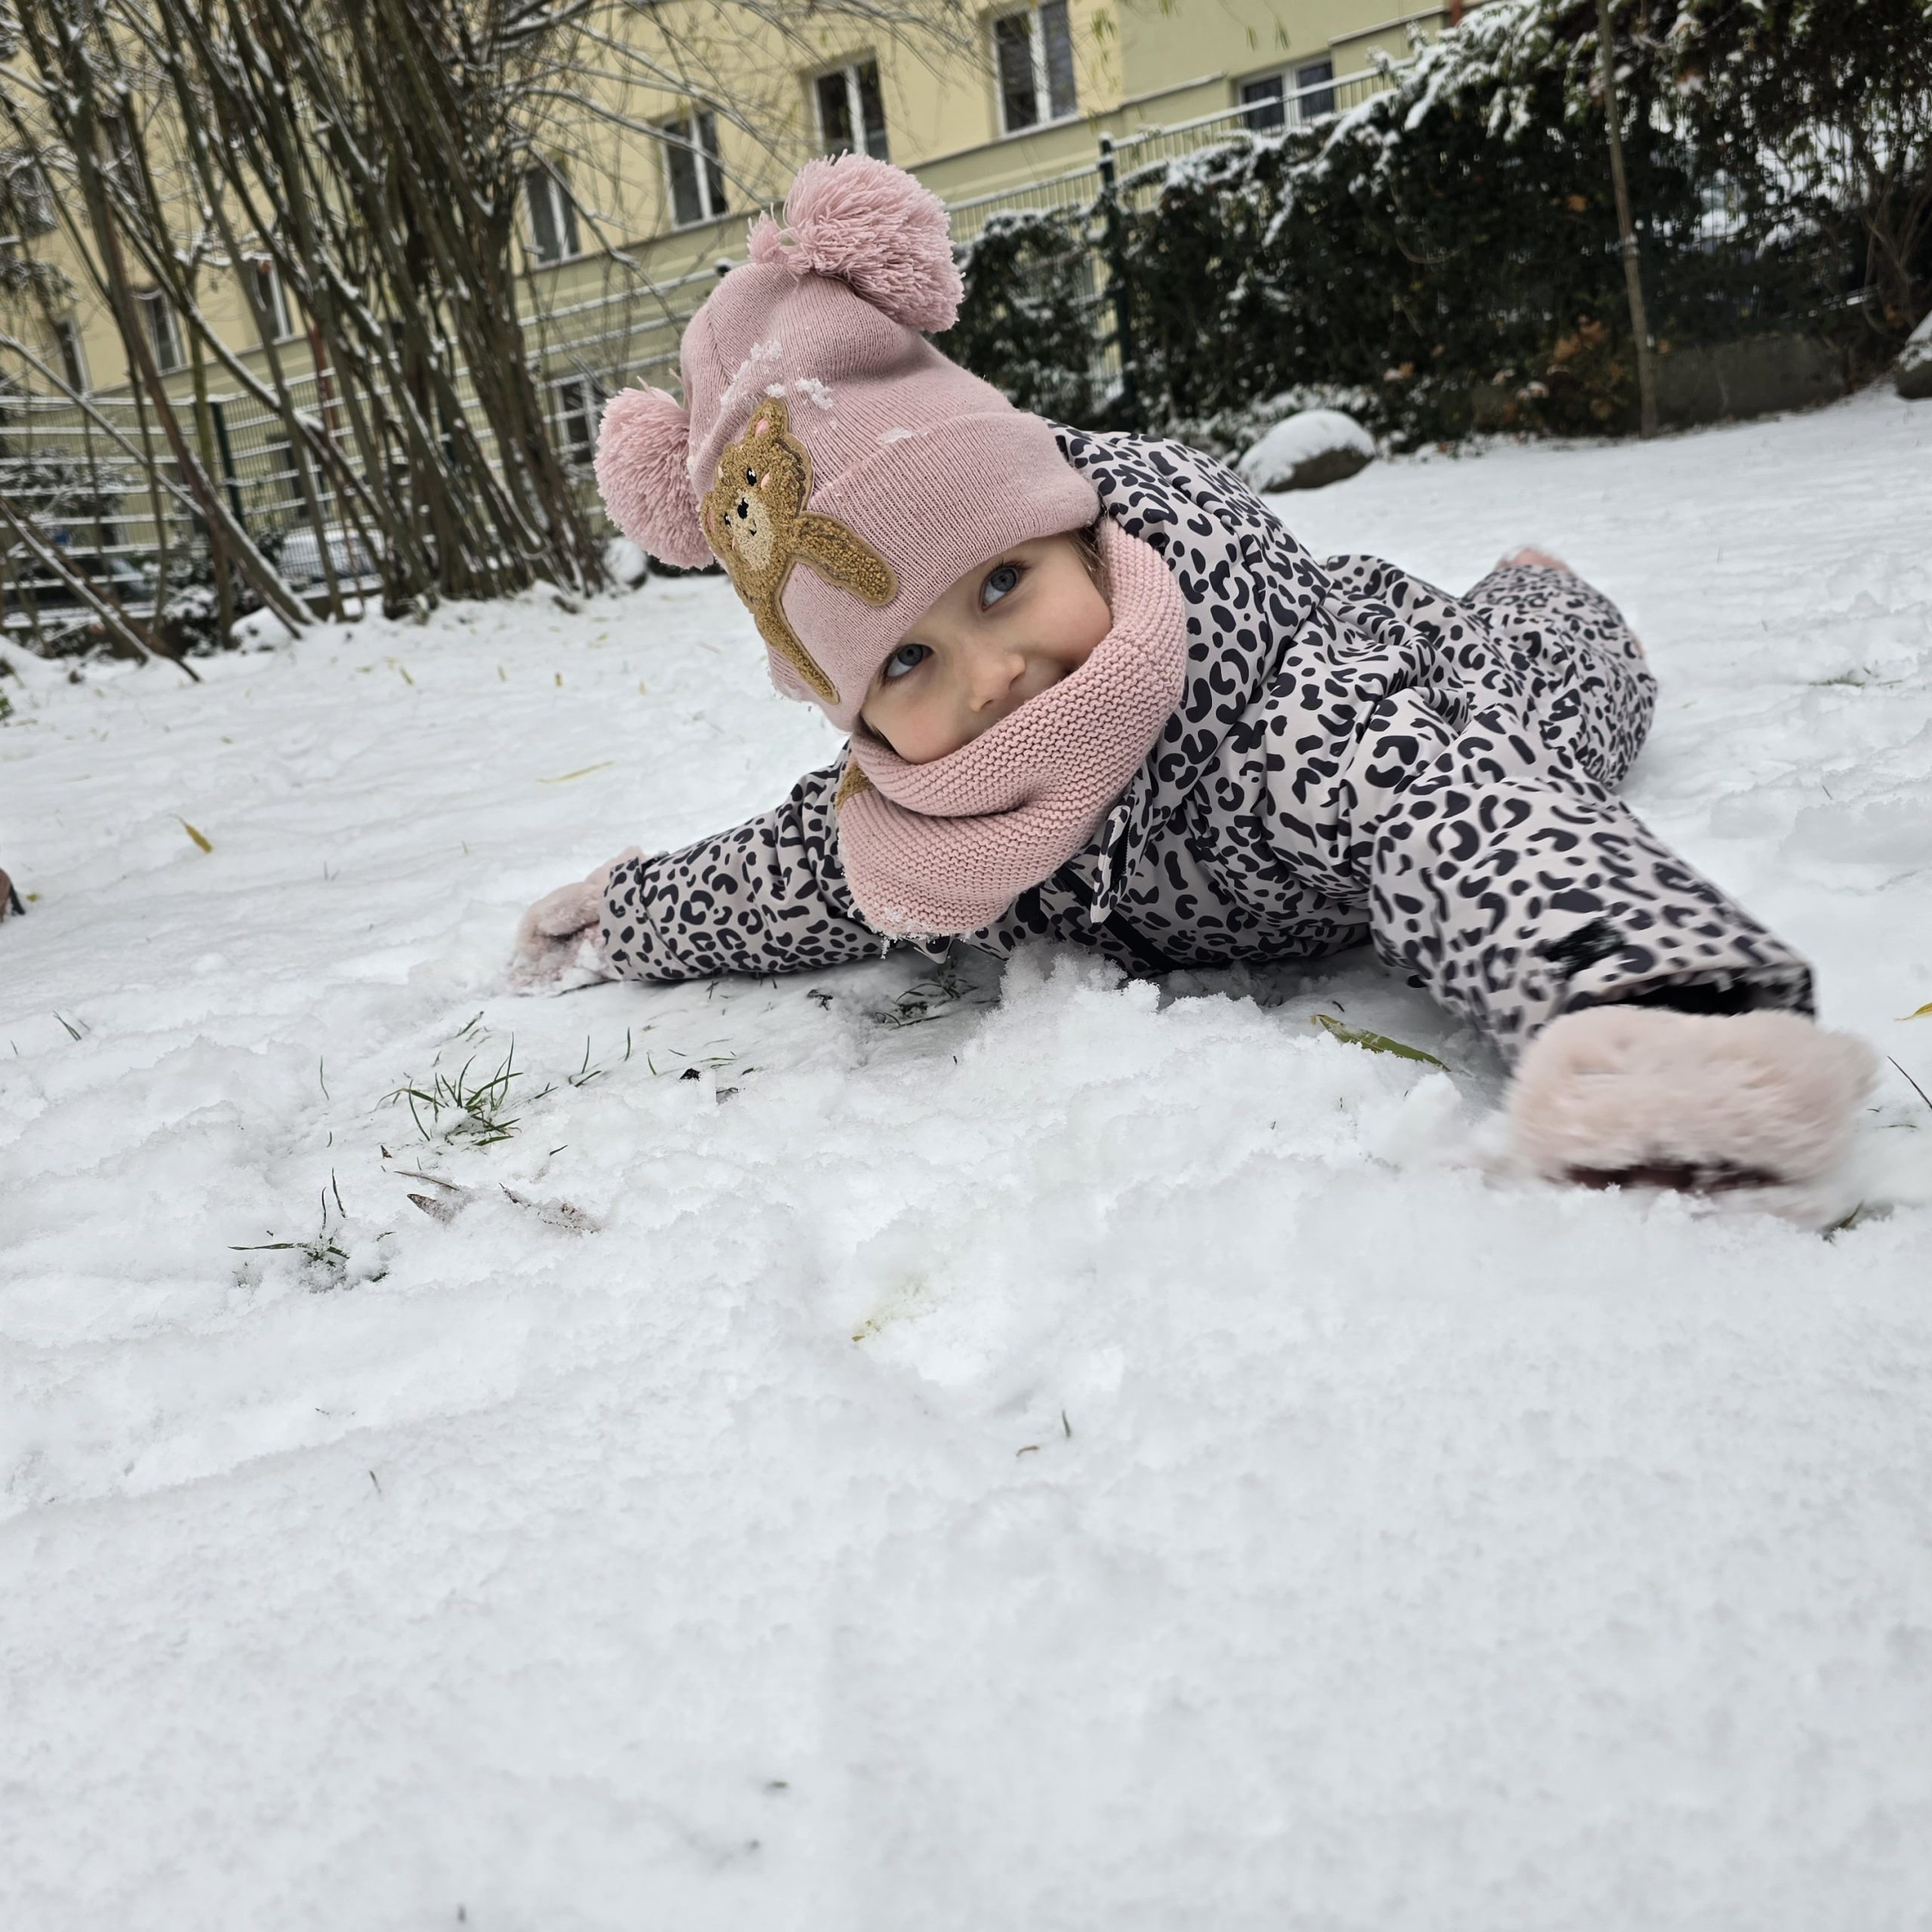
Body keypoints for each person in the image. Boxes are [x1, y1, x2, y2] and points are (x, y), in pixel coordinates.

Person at [511, 155, 1872, 1216]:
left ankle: (1543, 592)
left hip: (1391, 665)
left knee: (1538, 714)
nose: (996, 676)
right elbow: (792, 875)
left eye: (1004, 584)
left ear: (1081, 536)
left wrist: (1652, 1020)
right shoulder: (926, 825)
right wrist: (626, 914)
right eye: (908, 662)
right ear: (858, 721)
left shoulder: (1295, 733)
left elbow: (1466, 824)